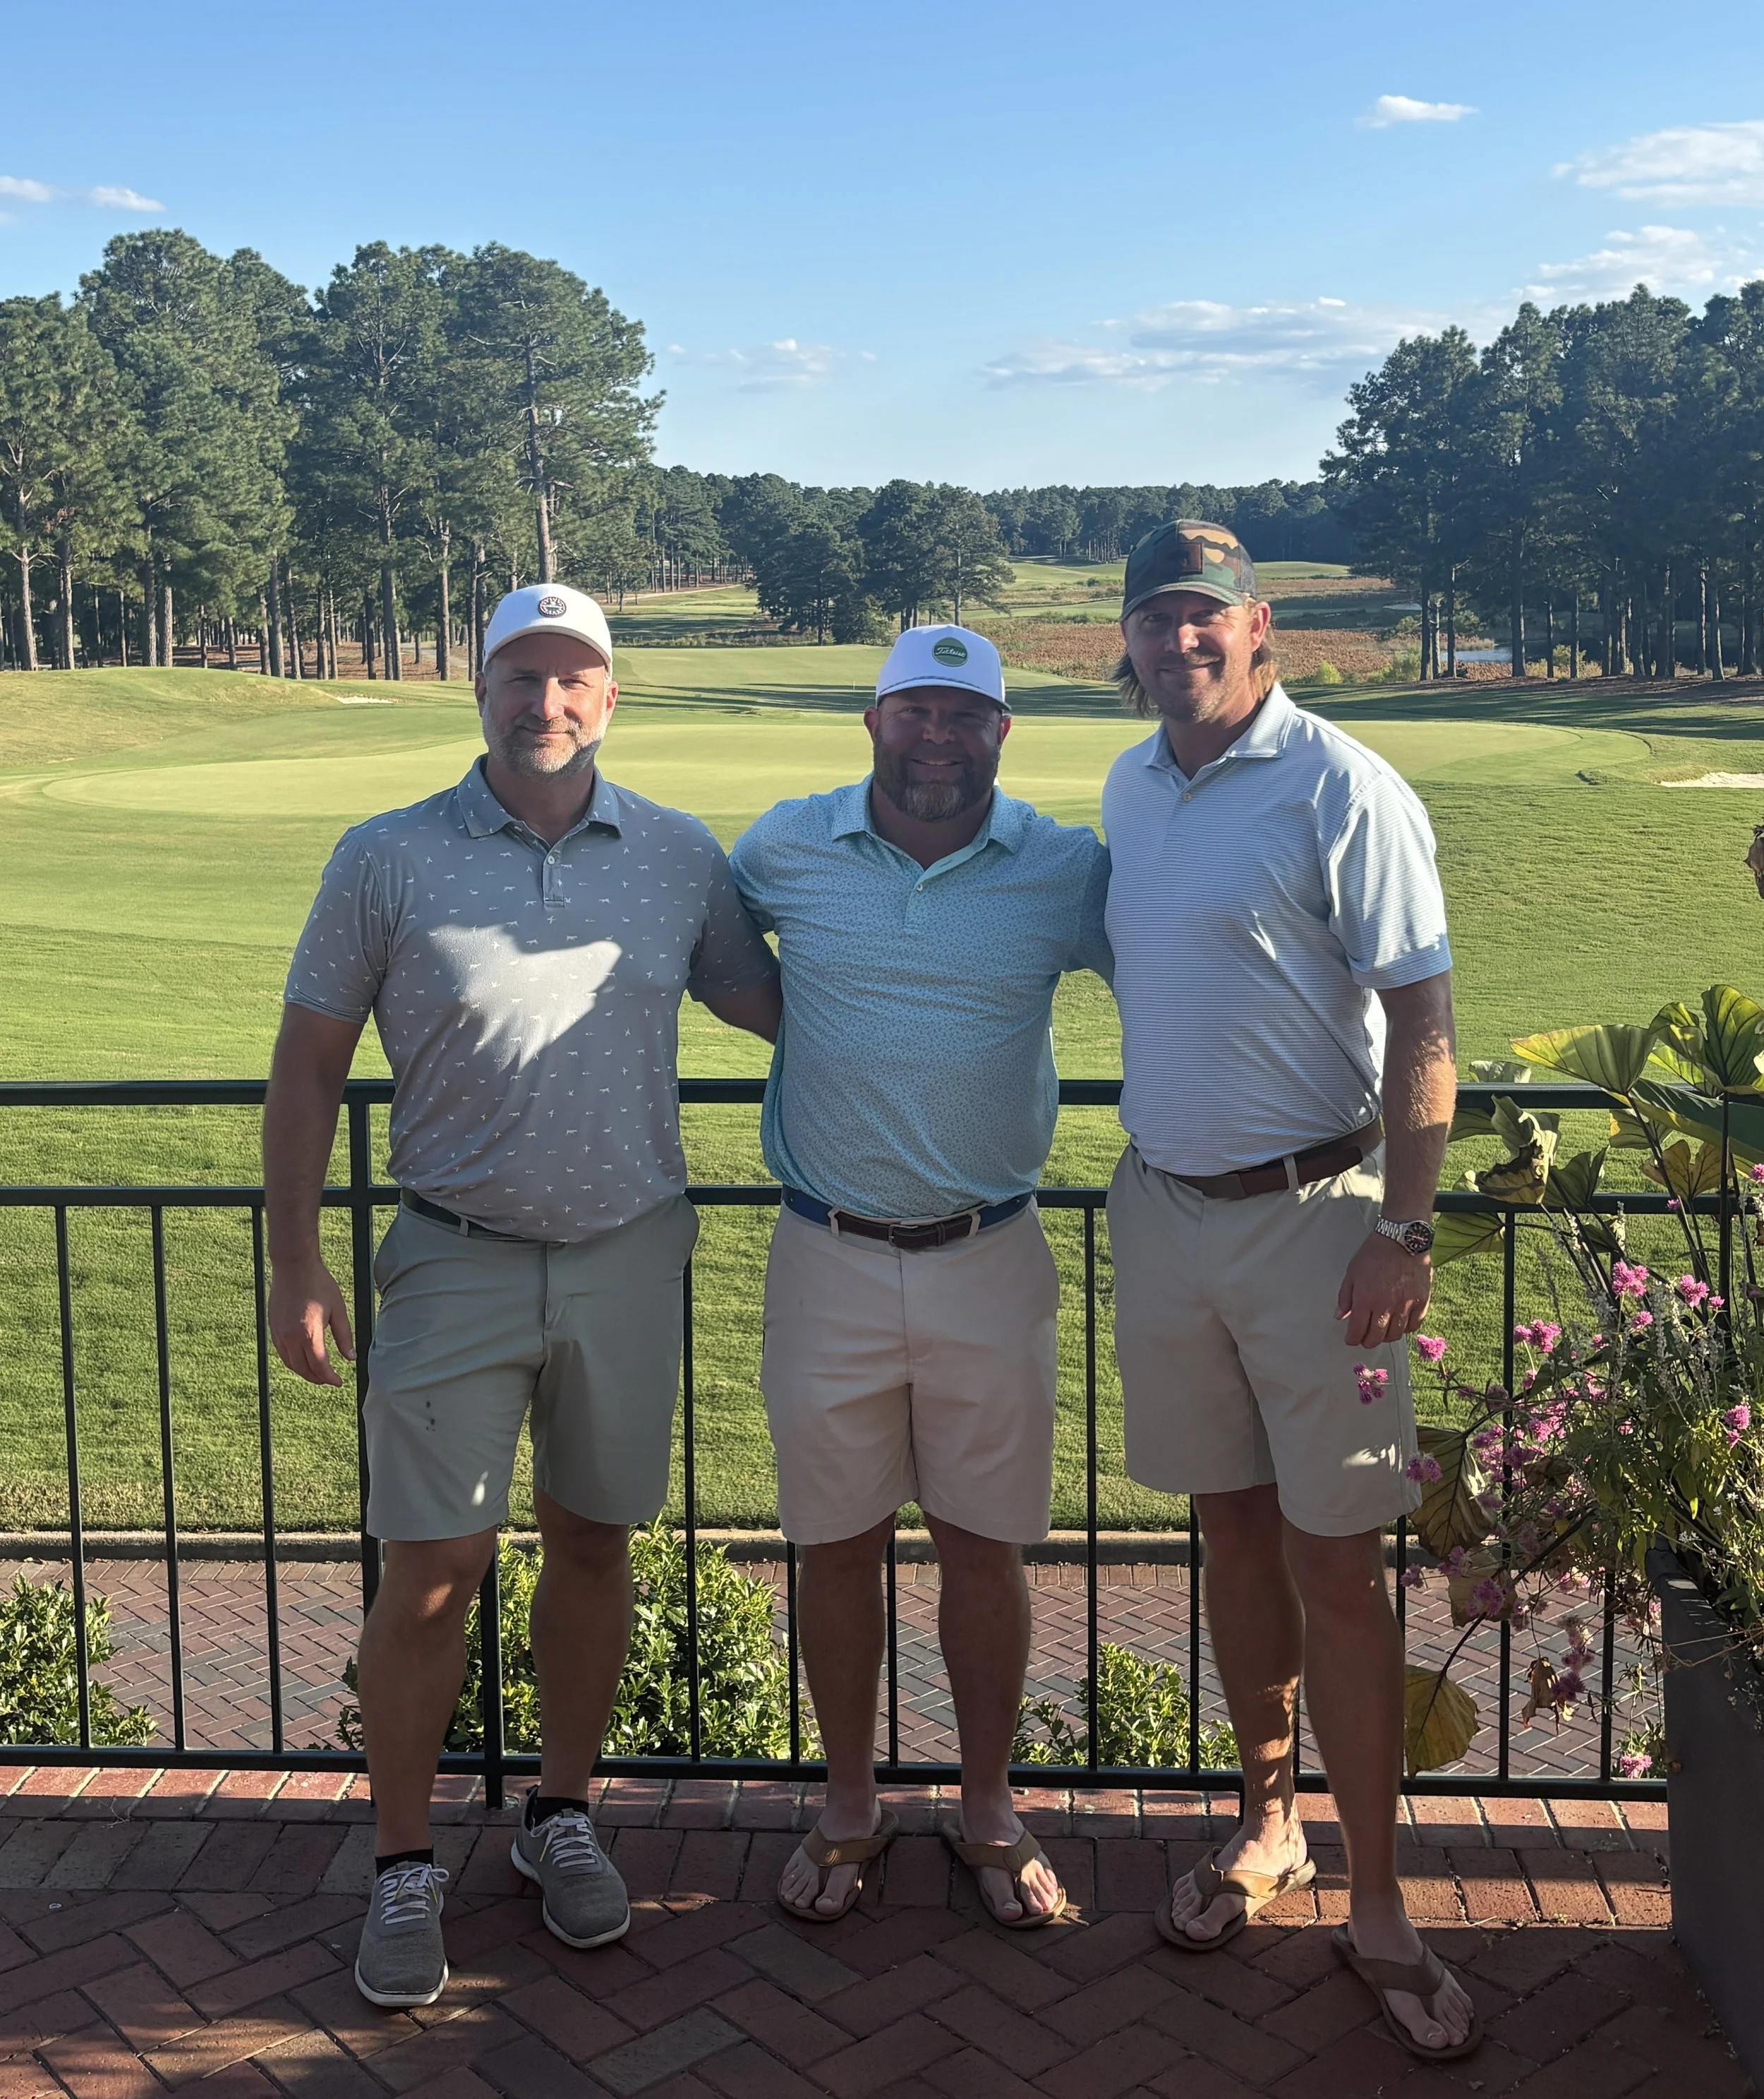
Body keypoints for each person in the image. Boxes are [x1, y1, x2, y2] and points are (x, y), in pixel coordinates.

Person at [263, 583, 780, 2010]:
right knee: (430, 1567)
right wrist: (293, 1257)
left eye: (571, 679)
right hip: (450, 1253)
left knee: (593, 1544)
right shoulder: (387, 856)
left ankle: (561, 1812)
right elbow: (308, 1061)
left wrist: (933, 989)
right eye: (517, 676)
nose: (542, 701)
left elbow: (777, 1004)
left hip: (626, 1249)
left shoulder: (678, 856)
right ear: (477, 689)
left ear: (610, 699)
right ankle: (404, 1861)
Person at [1101, 524, 1478, 2059]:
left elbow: (1424, 1022)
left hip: (1319, 1219)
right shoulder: (1131, 785)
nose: (1180, 640)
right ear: (1125, 641)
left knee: (1338, 1565)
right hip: (1166, 1210)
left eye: (1205, 616)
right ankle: (1269, 1827)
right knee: (1231, 1529)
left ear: (1256, 625)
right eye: (1153, 620)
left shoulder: (1340, 784)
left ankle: (1376, 1897)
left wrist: (1405, 1223)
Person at [730, 624, 1111, 1930]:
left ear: (1002, 732)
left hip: (989, 1252)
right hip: (824, 1249)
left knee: (982, 1548)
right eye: (916, 711)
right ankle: (849, 1804)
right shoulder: (788, 844)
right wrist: (802, 1020)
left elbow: (1182, 962)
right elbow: (709, 943)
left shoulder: (1063, 867)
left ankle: (989, 1804)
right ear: (874, 720)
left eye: (965, 714)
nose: (937, 736)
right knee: (832, 1547)